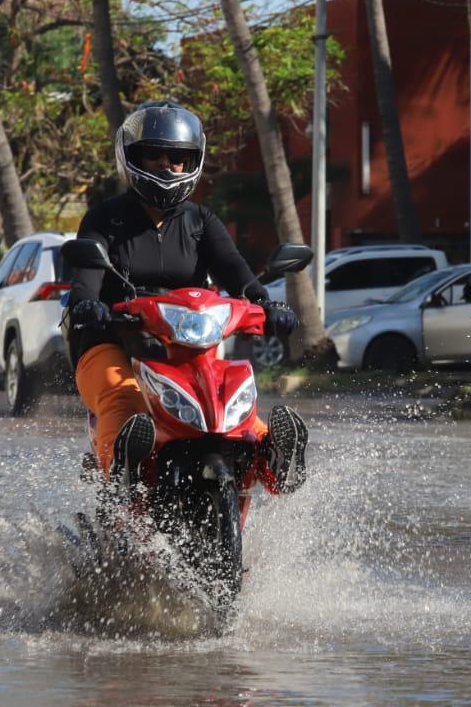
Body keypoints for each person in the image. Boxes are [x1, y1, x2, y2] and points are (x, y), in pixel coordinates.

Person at [66, 100, 308, 495]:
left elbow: (239, 276)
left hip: (186, 345)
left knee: (233, 412)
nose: (166, 164)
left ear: (192, 161)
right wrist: (86, 307)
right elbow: (85, 281)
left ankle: (277, 460)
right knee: (123, 401)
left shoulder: (201, 221)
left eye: (178, 157)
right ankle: (123, 473)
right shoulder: (104, 218)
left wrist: (268, 306)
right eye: (154, 154)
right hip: (111, 340)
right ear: (132, 157)